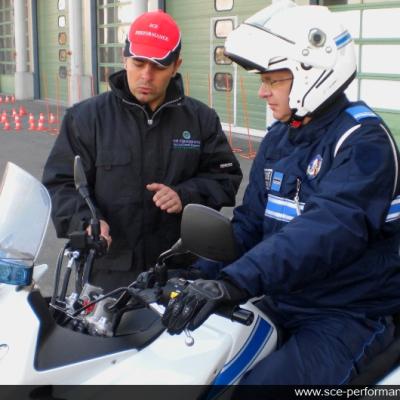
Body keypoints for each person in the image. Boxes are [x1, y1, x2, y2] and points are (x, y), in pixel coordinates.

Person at [162, 1, 400, 385]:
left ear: (314, 74)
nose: (263, 93)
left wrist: (235, 282)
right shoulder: (280, 138)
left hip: (346, 311)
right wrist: (193, 271)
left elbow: (327, 231)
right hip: (284, 297)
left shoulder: (362, 142)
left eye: (273, 80)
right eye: (264, 81)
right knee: (200, 368)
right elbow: (250, 224)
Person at [42, 10, 242, 291]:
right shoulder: (85, 118)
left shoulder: (201, 119)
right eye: (138, 63)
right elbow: (60, 184)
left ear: (176, 66)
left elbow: (226, 179)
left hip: (179, 269)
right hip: (107, 273)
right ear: (124, 59)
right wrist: (87, 222)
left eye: (158, 66)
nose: (146, 75)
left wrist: (185, 195)